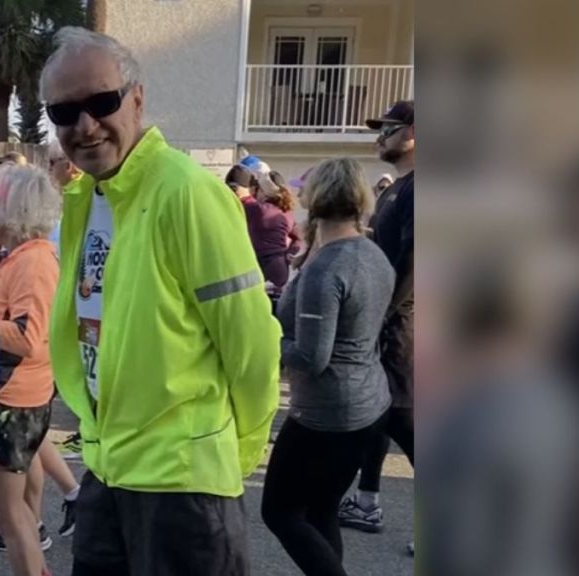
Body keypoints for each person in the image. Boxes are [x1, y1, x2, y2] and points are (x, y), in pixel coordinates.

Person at [40, 27, 281, 576]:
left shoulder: (187, 193)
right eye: (64, 111)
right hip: (109, 466)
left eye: (102, 103)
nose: (85, 125)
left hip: (182, 486)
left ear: (137, 99)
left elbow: (251, 342)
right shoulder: (87, 198)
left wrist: (228, 458)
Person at [261, 158, 395, 576]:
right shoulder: (372, 253)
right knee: (321, 512)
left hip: (328, 413)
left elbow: (311, 358)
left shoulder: (327, 268)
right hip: (368, 404)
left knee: (279, 512)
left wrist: (264, 336)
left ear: (314, 199)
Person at [0, 165, 61, 576]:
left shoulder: (34, 262)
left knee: (9, 518)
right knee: (20, 514)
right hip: (18, 397)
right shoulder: (27, 257)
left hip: (13, 400)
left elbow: (28, 337)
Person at [338, 100, 415, 539]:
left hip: (402, 326)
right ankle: (367, 501)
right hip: (386, 320)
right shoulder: (396, 189)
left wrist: (383, 315)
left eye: (389, 128)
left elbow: (416, 261)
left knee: (405, 421)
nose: (380, 136)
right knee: (379, 415)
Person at [225, 165, 302, 295]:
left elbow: (238, 202)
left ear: (263, 191)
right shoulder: (286, 212)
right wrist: (289, 254)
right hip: (280, 267)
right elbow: (299, 237)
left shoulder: (255, 209)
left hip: (261, 267)